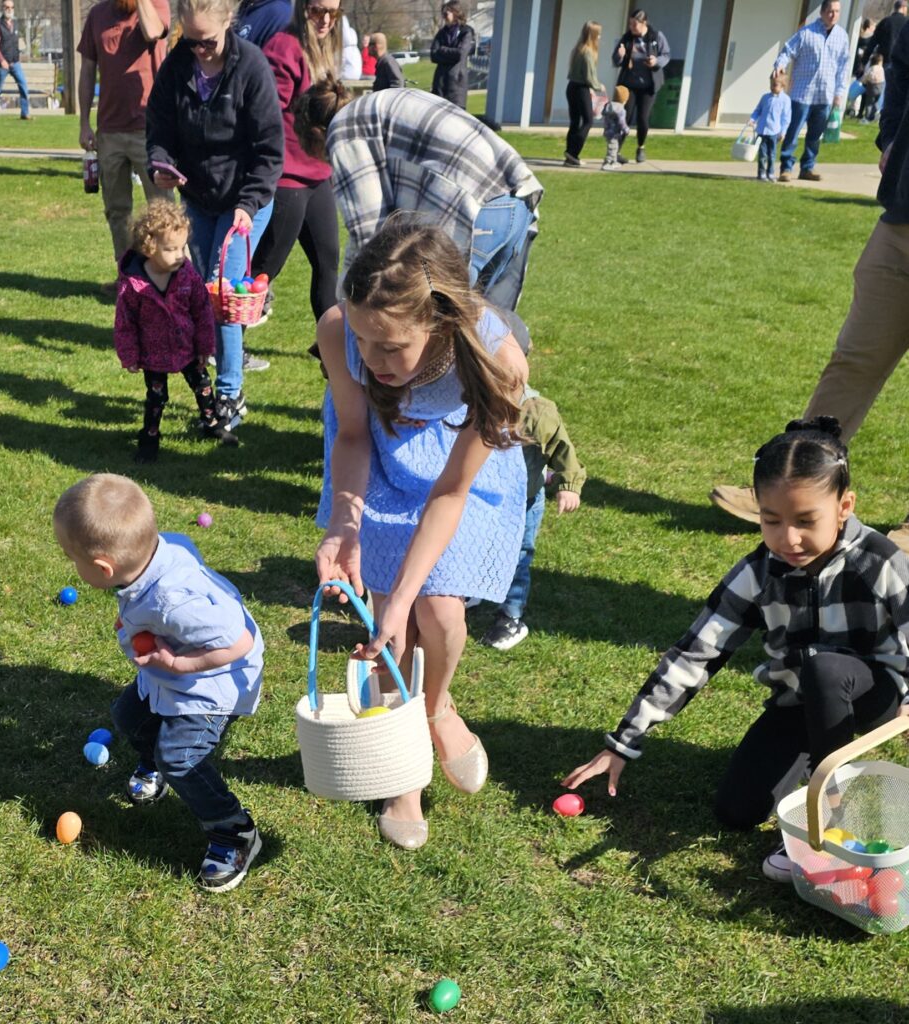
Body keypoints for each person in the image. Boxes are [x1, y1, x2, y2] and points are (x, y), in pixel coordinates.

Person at [564, 418, 909, 882]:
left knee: (824, 669)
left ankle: (828, 823)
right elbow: (695, 654)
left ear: (844, 506)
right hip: (799, 702)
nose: (788, 539)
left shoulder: (880, 559)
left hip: (874, 697)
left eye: (806, 521)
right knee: (736, 811)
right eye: (772, 520)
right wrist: (623, 742)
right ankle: (806, 768)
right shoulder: (758, 573)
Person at [315, 219, 529, 849]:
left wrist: (407, 594)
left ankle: (436, 705)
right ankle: (403, 762)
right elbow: (353, 435)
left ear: (438, 324)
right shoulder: (339, 331)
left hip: (454, 478)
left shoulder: (496, 360)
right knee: (392, 626)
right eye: (363, 341)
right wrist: (345, 523)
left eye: (391, 347)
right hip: (379, 463)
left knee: (437, 611)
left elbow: (451, 492)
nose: (372, 360)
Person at [710, 22, 909, 555]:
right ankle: (792, 486)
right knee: (852, 360)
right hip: (901, 219)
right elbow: (902, 76)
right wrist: (890, 138)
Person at [53, 474, 266, 892]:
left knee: (180, 757)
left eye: (71, 558)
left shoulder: (172, 603)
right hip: (171, 674)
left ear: (103, 568)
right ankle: (153, 764)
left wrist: (179, 662)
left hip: (210, 685)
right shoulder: (159, 551)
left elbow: (238, 640)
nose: (72, 566)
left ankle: (233, 830)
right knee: (129, 716)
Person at [146, 0, 284, 439]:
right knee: (205, 297)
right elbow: (159, 128)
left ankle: (229, 395)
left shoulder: (252, 68)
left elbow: (269, 150)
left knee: (223, 291)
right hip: (199, 197)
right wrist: (161, 163)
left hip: (245, 199)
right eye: (191, 40)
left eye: (207, 41)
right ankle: (211, 390)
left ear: (228, 22)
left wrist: (249, 203)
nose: (199, 50)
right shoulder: (177, 66)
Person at [294, 81, 543, 312]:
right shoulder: (379, 104)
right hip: (517, 198)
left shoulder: (344, 130)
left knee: (440, 327)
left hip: (475, 211)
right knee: (487, 328)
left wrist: (345, 305)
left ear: (316, 134)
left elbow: (369, 235)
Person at [252, 0, 342, 327]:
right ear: (303, 8)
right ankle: (226, 343)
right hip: (286, 177)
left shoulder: (327, 48)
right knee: (264, 269)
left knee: (328, 263)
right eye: (318, 11)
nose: (325, 20)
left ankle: (332, 347)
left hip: (318, 176)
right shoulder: (283, 47)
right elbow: (264, 113)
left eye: (333, 12)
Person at [480, 384, 585, 651]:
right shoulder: (470, 398)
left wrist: (569, 486)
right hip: (481, 497)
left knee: (518, 555)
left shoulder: (537, 411)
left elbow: (563, 449)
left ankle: (510, 616)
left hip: (523, 500)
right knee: (476, 545)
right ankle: (475, 588)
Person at [78, 0, 173, 290]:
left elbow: (153, 31)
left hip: (150, 128)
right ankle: (130, 279)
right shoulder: (97, 14)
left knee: (162, 209)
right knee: (117, 210)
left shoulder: (156, 5)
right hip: (110, 130)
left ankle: (171, 279)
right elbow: (87, 70)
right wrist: (84, 122)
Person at [114, 201, 220, 462]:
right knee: (156, 397)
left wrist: (205, 346)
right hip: (154, 354)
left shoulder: (187, 276)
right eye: (171, 249)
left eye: (182, 247)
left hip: (188, 348)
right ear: (149, 247)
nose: (179, 255)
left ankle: (212, 424)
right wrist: (129, 355)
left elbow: (202, 311)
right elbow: (125, 322)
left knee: (203, 386)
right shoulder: (134, 285)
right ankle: (149, 440)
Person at [773, 0, 849, 183]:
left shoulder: (842, 36)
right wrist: (780, 65)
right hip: (802, 93)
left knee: (815, 135)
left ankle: (807, 167)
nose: (833, 15)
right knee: (793, 132)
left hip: (825, 95)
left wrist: (839, 93)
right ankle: (786, 168)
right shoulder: (806, 33)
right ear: (822, 12)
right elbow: (787, 51)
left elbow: (843, 68)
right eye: (830, 11)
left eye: (837, 11)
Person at [611, 8, 670, 164]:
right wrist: (620, 56)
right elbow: (615, 60)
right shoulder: (627, 38)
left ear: (644, 23)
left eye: (634, 24)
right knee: (624, 117)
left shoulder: (656, 36)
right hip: (629, 85)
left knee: (643, 118)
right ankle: (616, 151)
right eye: (630, 24)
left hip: (648, 86)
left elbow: (666, 55)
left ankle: (640, 147)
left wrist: (656, 61)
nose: (631, 27)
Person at [564, 20, 603, 168]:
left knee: (575, 122)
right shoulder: (587, 53)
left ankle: (569, 155)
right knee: (588, 121)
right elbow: (589, 77)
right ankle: (573, 153)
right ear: (593, 35)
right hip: (581, 89)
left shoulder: (577, 49)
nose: (600, 37)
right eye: (598, 34)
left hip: (571, 87)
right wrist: (599, 87)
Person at [746, 72, 792, 183]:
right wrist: (752, 119)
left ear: (783, 85)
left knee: (772, 154)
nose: (772, 87)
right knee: (762, 154)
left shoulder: (785, 100)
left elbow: (786, 118)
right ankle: (761, 173)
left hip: (774, 132)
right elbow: (758, 110)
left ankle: (770, 173)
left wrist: (783, 132)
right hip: (762, 130)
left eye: (775, 85)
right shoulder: (765, 97)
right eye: (771, 84)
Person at [0, 1, 30, 120]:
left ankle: (25, 113)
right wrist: (2, 60)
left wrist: (18, 56)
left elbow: (16, 42)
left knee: (23, 85)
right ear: (3, 8)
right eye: (7, 7)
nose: (10, 9)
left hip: (15, 62)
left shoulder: (15, 24)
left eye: (12, 7)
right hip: (1, 64)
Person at [430, 1, 476, 110]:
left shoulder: (466, 32)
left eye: (447, 13)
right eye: (443, 14)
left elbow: (460, 54)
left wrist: (442, 50)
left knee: (456, 115)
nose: (444, 16)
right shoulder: (441, 33)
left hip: (456, 86)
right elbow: (433, 55)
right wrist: (451, 55)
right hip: (440, 84)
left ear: (456, 13)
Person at [864, 0, 907, 69]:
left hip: (884, 61)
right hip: (901, 65)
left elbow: (872, 42)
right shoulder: (906, 24)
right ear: (903, 8)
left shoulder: (885, 21)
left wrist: (864, 61)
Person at [600, 84, 629, 170]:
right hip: (615, 132)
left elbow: (603, 113)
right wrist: (626, 129)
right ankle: (608, 163)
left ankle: (613, 161)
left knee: (613, 147)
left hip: (607, 130)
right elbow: (621, 122)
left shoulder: (608, 106)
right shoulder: (621, 109)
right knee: (613, 148)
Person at [860, 52, 885, 122]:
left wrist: (863, 81)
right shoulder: (881, 68)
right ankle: (874, 114)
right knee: (876, 102)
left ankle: (867, 117)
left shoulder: (872, 68)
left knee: (869, 103)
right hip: (880, 87)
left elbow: (866, 76)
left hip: (872, 87)